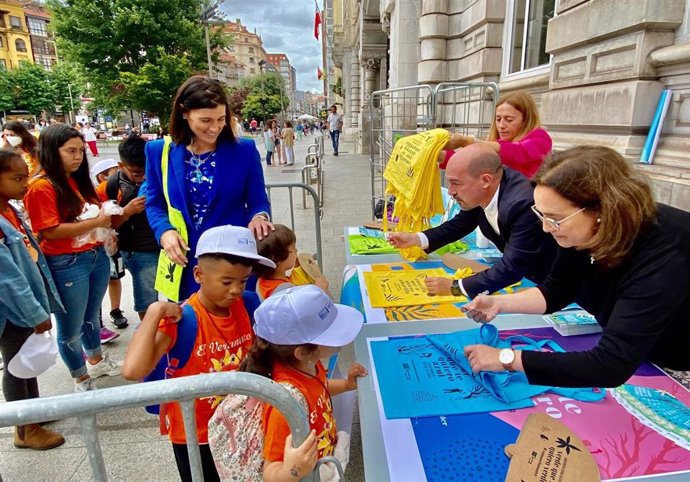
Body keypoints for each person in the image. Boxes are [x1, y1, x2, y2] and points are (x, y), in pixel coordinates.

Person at [462, 145, 690, 388]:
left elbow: (609, 365)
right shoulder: (579, 228)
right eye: (542, 215)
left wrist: (505, 359)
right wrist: (500, 303)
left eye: (555, 219)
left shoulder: (664, 251)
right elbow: (557, 289)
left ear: (602, 209)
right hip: (638, 352)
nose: (546, 228)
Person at [122, 225, 276, 482]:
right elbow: (132, 370)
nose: (236, 289)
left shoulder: (248, 304)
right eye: (226, 282)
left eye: (243, 280)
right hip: (197, 437)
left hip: (241, 426)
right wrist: (155, 311)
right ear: (198, 274)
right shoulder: (184, 320)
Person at [145, 75, 273, 302]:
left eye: (221, 119)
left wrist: (259, 217)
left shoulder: (243, 150)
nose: (215, 128)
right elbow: (154, 203)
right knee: (193, 330)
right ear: (184, 113)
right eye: (205, 120)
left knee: (239, 330)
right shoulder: (159, 152)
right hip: (186, 262)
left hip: (233, 263)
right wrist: (164, 232)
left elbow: (257, 201)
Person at [388, 144, 557, 299]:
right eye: (449, 182)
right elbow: (461, 223)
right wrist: (416, 239)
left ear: (485, 180)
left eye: (456, 183)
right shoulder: (485, 190)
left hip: (559, 283)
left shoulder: (522, 205)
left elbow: (511, 268)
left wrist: (456, 287)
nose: (451, 192)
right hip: (534, 277)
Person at [23, 124, 121, 392]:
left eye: (80, 151)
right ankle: (80, 378)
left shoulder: (76, 181)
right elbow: (49, 231)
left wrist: (103, 223)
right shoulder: (42, 186)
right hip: (66, 263)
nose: (78, 156)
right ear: (52, 152)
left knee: (91, 314)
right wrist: (96, 222)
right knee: (70, 325)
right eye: (70, 151)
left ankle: (96, 361)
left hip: (95, 255)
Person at [240, 285, 367, 482]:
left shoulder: (309, 365)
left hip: (323, 458)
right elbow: (270, 470)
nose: (338, 341)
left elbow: (319, 387)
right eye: (331, 335)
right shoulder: (285, 403)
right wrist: (293, 471)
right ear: (302, 351)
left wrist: (346, 385)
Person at [0, 149, 66, 450]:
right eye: (16, 178)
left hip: (23, 309)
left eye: (25, 176)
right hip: (12, 312)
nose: (24, 184)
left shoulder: (9, 210)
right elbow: (8, 279)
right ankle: (25, 428)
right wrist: (33, 313)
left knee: (28, 362)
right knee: (16, 366)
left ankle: (32, 413)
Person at [99, 136, 159, 320]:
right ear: (121, 165)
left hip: (164, 245)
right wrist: (126, 212)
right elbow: (105, 224)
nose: (144, 177)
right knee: (148, 301)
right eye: (137, 173)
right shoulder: (111, 186)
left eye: (147, 170)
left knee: (175, 297)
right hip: (138, 250)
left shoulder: (160, 175)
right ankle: (149, 339)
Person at [440, 91, 552, 178]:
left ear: (526, 120)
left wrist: (469, 141)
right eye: (498, 119)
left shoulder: (540, 138)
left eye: (509, 119)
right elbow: (467, 163)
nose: (501, 125)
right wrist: (435, 153)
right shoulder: (498, 143)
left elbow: (519, 151)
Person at [91, 159, 128, 339]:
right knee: (96, 284)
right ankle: (96, 322)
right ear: (102, 177)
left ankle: (116, 310)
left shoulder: (118, 189)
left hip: (112, 243)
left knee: (116, 277)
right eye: (115, 171)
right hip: (99, 244)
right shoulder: (101, 190)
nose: (120, 174)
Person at [255, 224, 330, 300]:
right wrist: (320, 290)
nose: (296, 250)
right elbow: (306, 308)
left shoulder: (261, 281)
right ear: (278, 259)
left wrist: (297, 270)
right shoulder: (286, 292)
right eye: (293, 248)